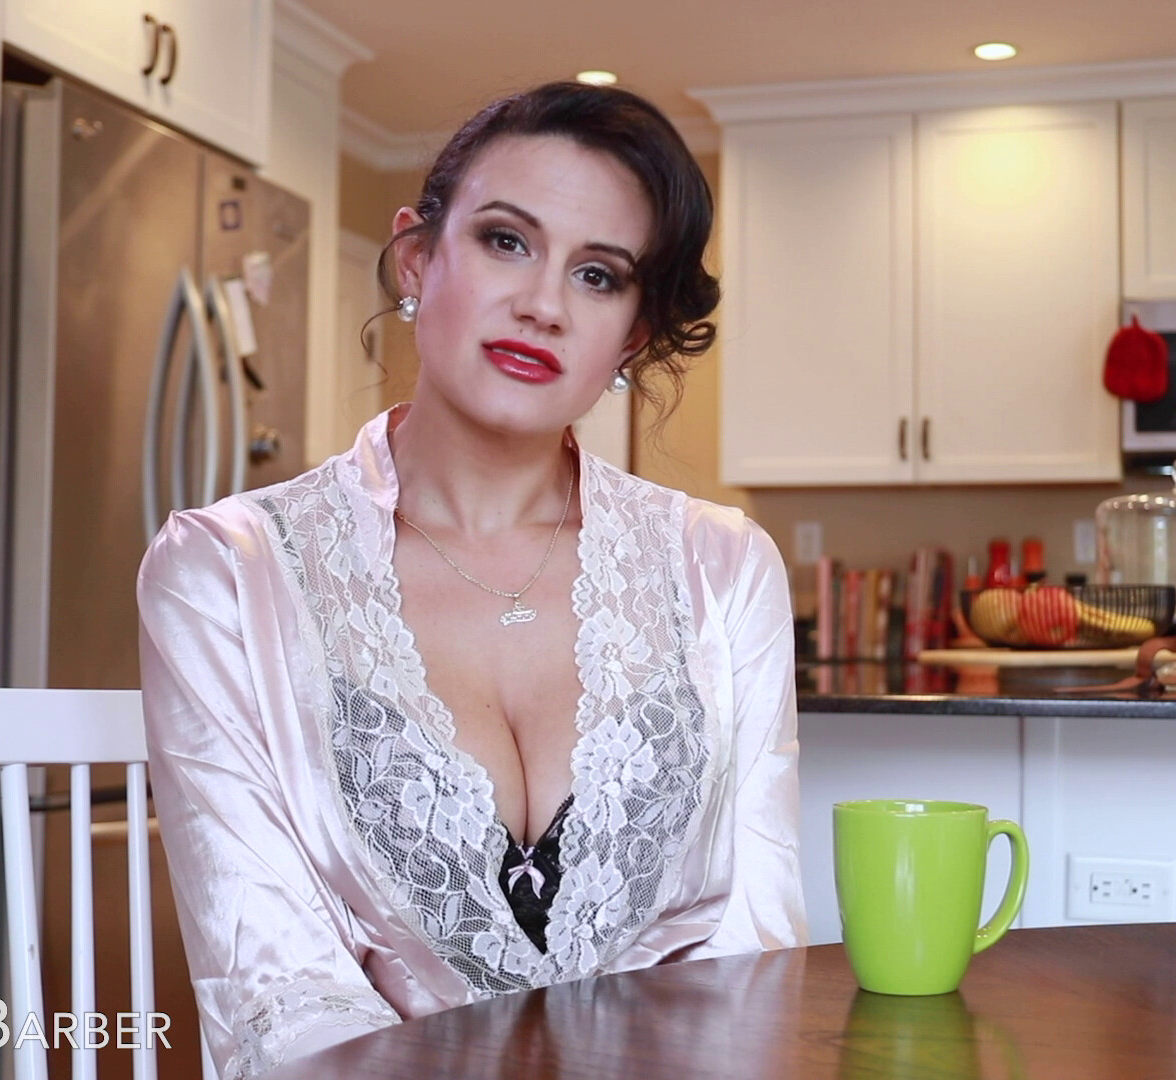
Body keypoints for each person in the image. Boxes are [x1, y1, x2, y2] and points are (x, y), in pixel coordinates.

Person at [136, 81, 807, 1079]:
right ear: (417, 257)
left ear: (631, 334)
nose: (543, 304)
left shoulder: (725, 568)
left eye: (597, 275)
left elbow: (758, 949)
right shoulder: (222, 575)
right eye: (506, 241)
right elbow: (277, 999)